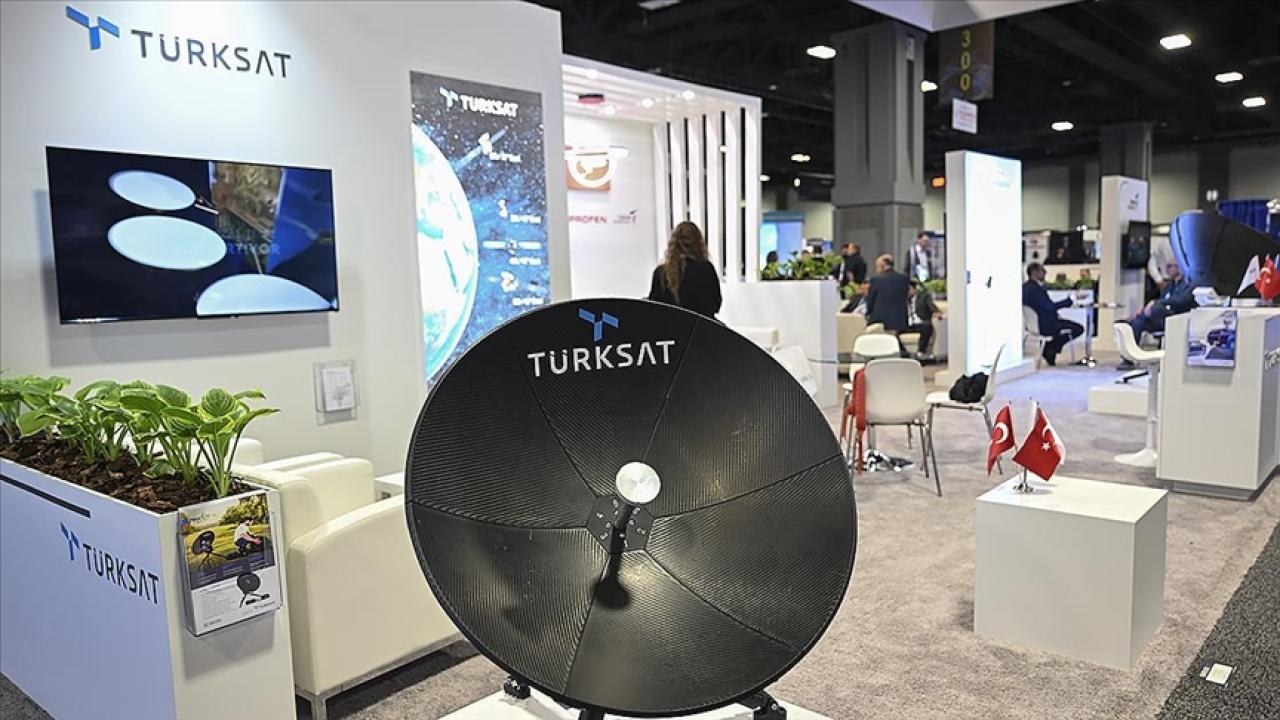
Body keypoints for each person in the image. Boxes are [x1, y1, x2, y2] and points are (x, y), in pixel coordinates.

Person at [648, 221, 722, 319]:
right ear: (699, 243)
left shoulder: (661, 272)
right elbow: (715, 305)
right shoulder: (706, 269)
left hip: (669, 326)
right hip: (700, 326)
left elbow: (653, 307)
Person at [1022, 262, 1083, 366]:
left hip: (1033, 324)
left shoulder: (1025, 288)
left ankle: (1051, 349)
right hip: (1045, 324)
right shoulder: (1036, 290)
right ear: (1034, 272)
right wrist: (1070, 300)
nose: (1045, 273)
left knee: (1066, 325)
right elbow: (1050, 307)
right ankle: (1050, 348)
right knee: (1078, 328)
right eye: (1042, 270)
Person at [1128, 259, 1195, 343]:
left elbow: (1180, 301)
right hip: (1161, 318)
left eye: (1170, 266)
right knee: (1138, 322)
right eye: (1167, 266)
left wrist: (1155, 303)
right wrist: (1143, 310)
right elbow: (1161, 300)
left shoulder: (1188, 285)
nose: (1167, 269)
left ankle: (1139, 316)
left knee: (1155, 308)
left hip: (1177, 317)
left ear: (1179, 267)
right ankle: (1132, 348)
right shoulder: (1169, 286)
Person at [866, 254, 910, 333]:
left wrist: (867, 314)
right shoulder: (903, 279)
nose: (876, 270)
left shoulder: (876, 280)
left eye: (877, 267)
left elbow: (870, 302)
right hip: (900, 322)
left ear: (882, 265)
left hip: (880, 323)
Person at [907, 280, 941, 358]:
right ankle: (904, 353)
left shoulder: (924, 297)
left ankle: (920, 352)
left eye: (908, 289)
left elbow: (932, 307)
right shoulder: (903, 299)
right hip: (908, 324)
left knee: (927, 326)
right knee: (893, 330)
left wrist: (935, 312)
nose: (906, 291)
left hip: (921, 323)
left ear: (914, 289)